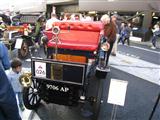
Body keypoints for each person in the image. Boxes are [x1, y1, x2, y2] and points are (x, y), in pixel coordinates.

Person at [0, 46, 21, 120]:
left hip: (18, 88)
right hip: (13, 90)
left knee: (20, 98)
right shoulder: (1, 46)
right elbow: (6, 99)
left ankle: (21, 105)